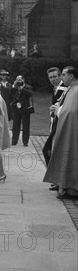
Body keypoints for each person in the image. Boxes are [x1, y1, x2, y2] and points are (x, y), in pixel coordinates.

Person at [43, 66, 78, 199]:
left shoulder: (74, 91)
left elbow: (70, 112)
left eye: (63, 75)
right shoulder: (71, 89)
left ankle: (69, 187)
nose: (61, 78)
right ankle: (62, 183)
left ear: (71, 76)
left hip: (70, 130)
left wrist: (58, 109)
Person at [42, 67, 68, 177]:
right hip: (55, 123)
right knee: (50, 150)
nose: (52, 79)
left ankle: (55, 177)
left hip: (61, 124)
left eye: (55, 77)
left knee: (48, 150)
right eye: (50, 77)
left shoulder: (64, 89)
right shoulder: (57, 88)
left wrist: (56, 109)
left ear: (60, 76)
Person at [10, 74, 34, 146]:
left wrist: (22, 89)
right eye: (17, 80)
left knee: (26, 126)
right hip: (17, 109)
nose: (19, 81)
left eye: (20, 80)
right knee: (15, 126)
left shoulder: (28, 87)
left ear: (23, 80)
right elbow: (10, 94)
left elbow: (30, 94)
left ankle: (25, 142)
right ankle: (14, 141)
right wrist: (14, 86)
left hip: (25, 109)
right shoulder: (15, 87)